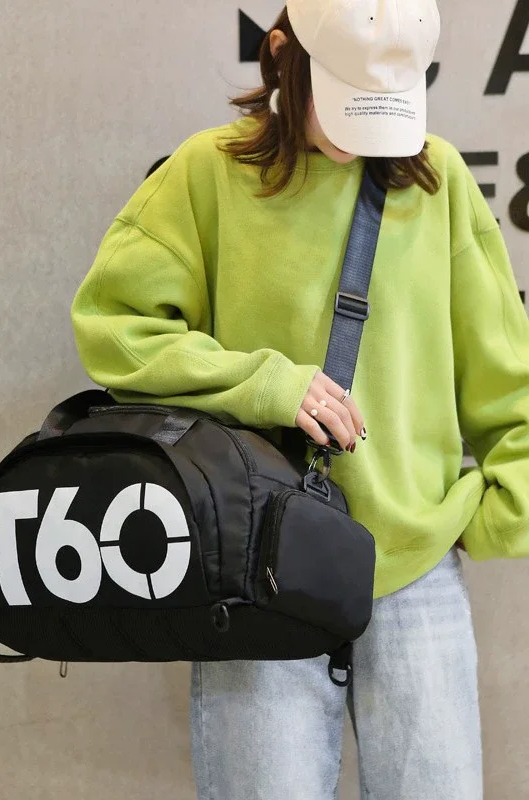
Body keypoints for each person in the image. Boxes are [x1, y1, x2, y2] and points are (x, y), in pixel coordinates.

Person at [70, 1, 529, 797]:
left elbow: (507, 380)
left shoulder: (438, 179)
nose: (363, 133)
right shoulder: (208, 174)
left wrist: (486, 516)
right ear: (283, 52)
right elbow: (116, 331)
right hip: (259, 567)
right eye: (348, 96)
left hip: (412, 575)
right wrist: (269, 384)